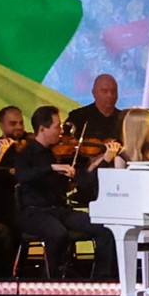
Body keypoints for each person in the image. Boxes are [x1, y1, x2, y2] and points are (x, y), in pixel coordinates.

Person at [15, 105, 117, 281]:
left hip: (60, 210)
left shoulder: (56, 153)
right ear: (42, 129)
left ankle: (102, 279)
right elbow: (23, 176)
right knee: (57, 233)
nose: (61, 131)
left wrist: (101, 161)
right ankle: (51, 280)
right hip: (35, 211)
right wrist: (51, 168)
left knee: (104, 228)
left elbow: (83, 180)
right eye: (57, 127)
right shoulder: (26, 153)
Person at [63, 73, 126, 205]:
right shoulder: (78, 116)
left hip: (117, 175)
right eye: (105, 91)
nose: (110, 95)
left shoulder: (124, 119)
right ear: (94, 93)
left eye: (113, 91)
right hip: (87, 176)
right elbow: (66, 145)